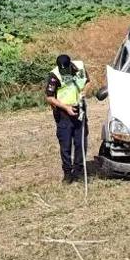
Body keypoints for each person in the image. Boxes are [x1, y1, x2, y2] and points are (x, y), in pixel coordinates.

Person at [45, 54, 89, 183]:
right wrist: (65, 107)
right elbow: (49, 97)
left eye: (66, 70)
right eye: (62, 70)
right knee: (66, 145)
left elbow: (88, 82)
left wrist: (84, 92)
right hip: (63, 113)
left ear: (71, 65)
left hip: (79, 109)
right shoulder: (54, 76)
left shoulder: (80, 66)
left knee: (81, 143)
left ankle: (78, 171)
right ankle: (68, 173)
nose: (64, 72)